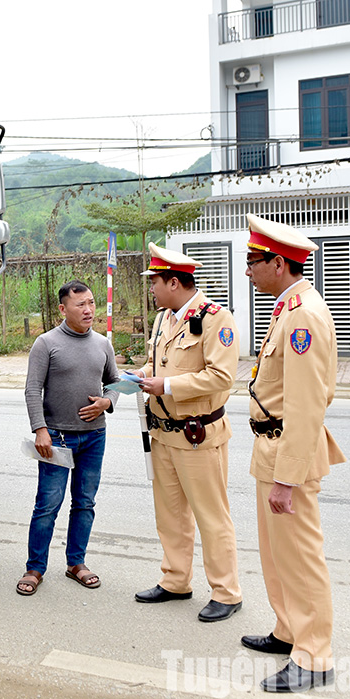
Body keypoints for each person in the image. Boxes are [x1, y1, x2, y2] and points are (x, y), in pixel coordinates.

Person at [240, 214, 346, 693]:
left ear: (278, 264)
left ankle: (314, 656)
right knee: (276, 553)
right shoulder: (288, 307)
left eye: (252, 262)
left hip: (289, 453)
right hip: (272, 448)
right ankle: (289, 631)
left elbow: (305, 407)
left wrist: (287, 478)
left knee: (300, 557)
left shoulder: (302, 315)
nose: (247, 271)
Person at [131, 243, 242, 622]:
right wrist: (139, 377)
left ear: (173, 282)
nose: (151, 289)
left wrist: (168, 386)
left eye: (155, 282)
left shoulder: (215, 319)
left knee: (211, 517)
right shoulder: (164, 318)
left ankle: (227, 592)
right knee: (170, 515)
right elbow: (156, 363)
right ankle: (176, 580)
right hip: (163, 434)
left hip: (198, 435)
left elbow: (221, 376)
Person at [17, 280, 120, 597]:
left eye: (91, 303)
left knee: (85, 502)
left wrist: (108, 402)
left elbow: (115, 382)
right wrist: (40, 429)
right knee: (47, 505)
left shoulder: (103, 344)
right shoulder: (46, 343)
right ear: (63, 309)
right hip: (57, 438)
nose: (88, 310)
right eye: (80, 305)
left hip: (94, 437)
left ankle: (76, 562)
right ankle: (35, 568)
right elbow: (32, 389)